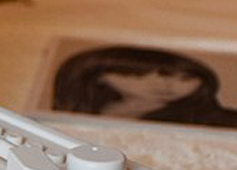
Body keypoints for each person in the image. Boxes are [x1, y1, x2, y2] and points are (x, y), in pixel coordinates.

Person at [52, 45, 237, 127]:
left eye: (185, 78)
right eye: (137, 75)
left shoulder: (219, 120)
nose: (165, 85)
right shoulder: (75, 115)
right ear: (100, 77)